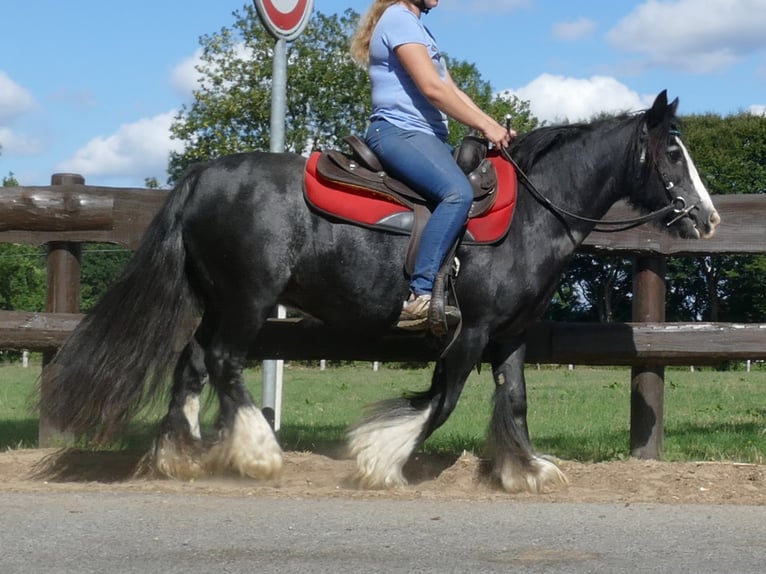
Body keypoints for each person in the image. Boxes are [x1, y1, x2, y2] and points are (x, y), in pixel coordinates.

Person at [351, 0, 515, 329]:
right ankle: (419, 295)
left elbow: (451, 89)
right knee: (456, 193)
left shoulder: (420, 30)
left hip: (426, 137)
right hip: (398, 132)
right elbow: (432, 89)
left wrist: (493, 126)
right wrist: (487, 127)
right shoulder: (398, 19)